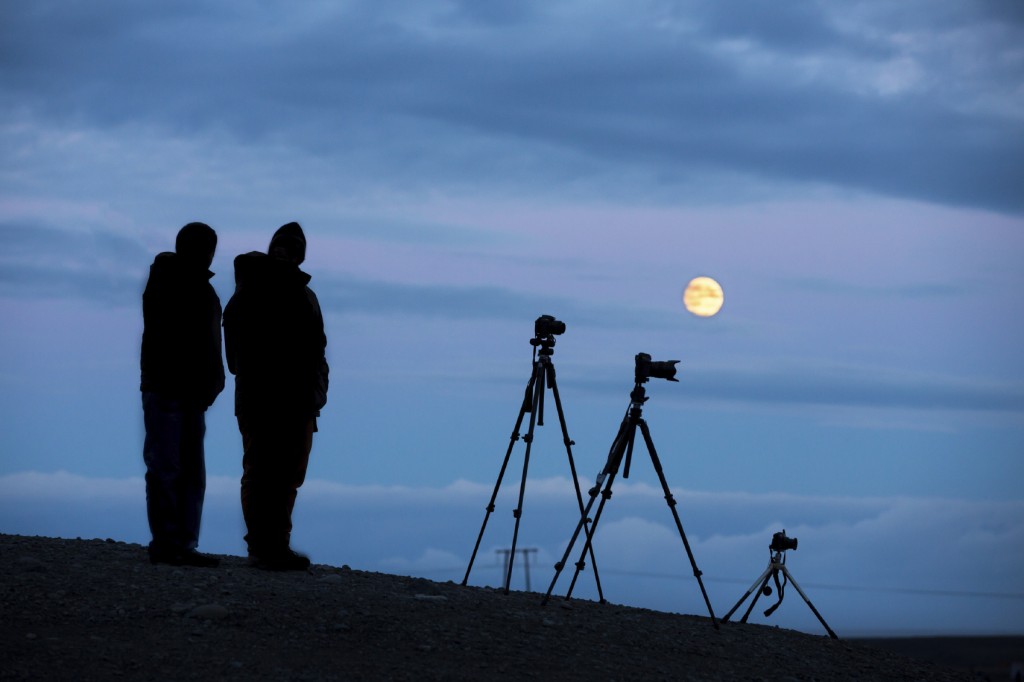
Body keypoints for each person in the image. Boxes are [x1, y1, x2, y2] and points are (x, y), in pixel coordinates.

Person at [223, 222, 329, 571]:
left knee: (287, 475)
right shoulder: (253, 287)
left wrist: (317, 390)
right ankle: (261, 548)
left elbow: (318, 350)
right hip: (262, 398)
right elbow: (235, 352)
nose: (285, 252)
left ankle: (276, 545)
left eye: (291, 248)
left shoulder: (305, 295)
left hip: (298, 401)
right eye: (280, 246)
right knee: (261, 472)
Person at [140, 222, 225, 567]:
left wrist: (212, 384)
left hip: (190, 393)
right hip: (168, 389)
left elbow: (209, 344)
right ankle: (168, 542)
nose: (207, 253)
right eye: (203, 246)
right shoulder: (171, 281)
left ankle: (182, 543)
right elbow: (174, 339)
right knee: (168, 465)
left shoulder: (201, 289)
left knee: (188, 469)